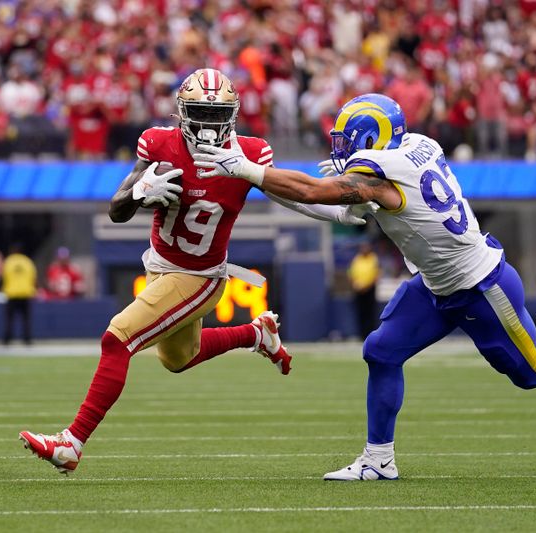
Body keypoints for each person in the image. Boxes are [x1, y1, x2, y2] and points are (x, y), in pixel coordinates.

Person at [194, 93, 536, 481]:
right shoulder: (417, 144)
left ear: (371, 136)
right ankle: (379, 460)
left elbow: (321, 195)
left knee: (532, 370)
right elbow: (339, 208)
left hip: (481, 285)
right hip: (436, 283)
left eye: (347, 138)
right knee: (380, 350)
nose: (340, 147)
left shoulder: (384, 171)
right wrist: (264, 183)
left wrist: (250, 172)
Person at [19, 68, 369, 474]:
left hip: (200, 276)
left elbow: (293, 199)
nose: (207, 124)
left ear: (233, 116)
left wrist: (339, 210)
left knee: (117, 339)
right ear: (182, 113)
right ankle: (256, 333)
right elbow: (116, 210)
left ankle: (72, 443)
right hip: (160, 265)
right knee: (177, 358)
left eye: (216, 114)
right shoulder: (160, 144)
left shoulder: (250, 154)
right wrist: (137, 192)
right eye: (200, 112)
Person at [2, 246, 37, 345]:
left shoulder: (8, 261)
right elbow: (33, 277)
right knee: (26, 320)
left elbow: (4, 276)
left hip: (12, 294)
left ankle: (7, 339)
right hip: (25, 293)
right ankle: (27, 339)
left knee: (9, 320)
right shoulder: (28, 262)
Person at [348, 242, 380, 338]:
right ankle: (361, 334)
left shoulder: (373, 258)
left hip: (369, 290)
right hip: (358, 290)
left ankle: (371, 334)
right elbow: (352, 273)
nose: (364, 250)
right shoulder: (357, 259)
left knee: (370, 312)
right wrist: (355, 284)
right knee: (361, 313)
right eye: (362, 248)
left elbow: (375, 274)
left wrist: (366, 286)